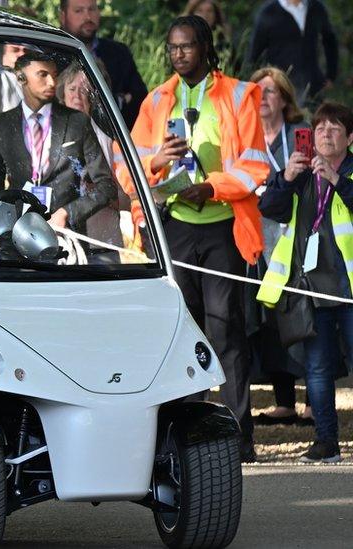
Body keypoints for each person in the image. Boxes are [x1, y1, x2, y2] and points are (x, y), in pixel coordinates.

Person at [128, 15, 270, 462]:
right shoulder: (157, 100)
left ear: (206, 48)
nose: (178, 54)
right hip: (175, 225)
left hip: (223, 224)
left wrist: (212, 186)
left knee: (225, 328)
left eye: (187, 46)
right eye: (172, 47)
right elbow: (131, 164)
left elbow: (255, 167)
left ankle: (237, 436)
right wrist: (158, 163)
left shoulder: (242, 94)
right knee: (180, 330)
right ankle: (183, 435)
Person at [256, 101, 353, 463]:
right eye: (320, 128)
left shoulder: (348, 172)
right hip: (309, 288)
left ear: (350, 138)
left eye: (335, 128)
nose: (326, 134)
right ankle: (326, 441)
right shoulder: (301, 173)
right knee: (317, 368)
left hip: (348, 288)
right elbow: (269, 208)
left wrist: (337, 180)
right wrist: (285, 178)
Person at [0, 50, 116, 237]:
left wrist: (67, 213)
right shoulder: (0, 126)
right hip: (17, 235)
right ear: (21, 78)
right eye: (43, 75)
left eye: (53, 75)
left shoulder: (77, 122)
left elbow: (106, 187)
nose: (52, 83)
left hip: (67, 237)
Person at [250, 66, 313, 426]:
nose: (263, 97)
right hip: (258, 236)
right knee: (270, 318)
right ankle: (284, 400)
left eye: (271, 91)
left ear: (285, 99)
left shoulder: (298, 135)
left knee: (303, 311)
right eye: (257, 91)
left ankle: (313, 400)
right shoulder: (247, 136)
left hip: (296, 235)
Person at [56, 62, 128, 252]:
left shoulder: (106, 139)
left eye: (85, 89)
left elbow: (129, 199)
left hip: (101, 244)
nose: (77, 95)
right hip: (58, 243)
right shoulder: (48, 134)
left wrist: (100, 193)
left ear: (95, 97)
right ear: (62, 92)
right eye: (72, 88)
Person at [59, 0, 147, 129]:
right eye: (79, 11)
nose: (87, 17)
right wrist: (119, 99)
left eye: (92, 9)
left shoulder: (119, 52)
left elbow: (140, 98)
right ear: (63, 16)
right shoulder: (50, 51)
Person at [248, 0, 339, 107]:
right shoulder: (269, 12)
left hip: (313, 88)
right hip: (281, 90)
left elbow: (330, 40)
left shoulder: (316, 7)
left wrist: (331, 75)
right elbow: (254, 54)